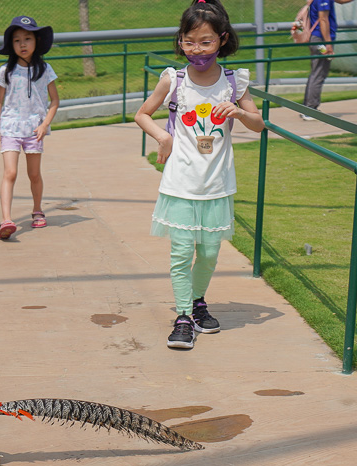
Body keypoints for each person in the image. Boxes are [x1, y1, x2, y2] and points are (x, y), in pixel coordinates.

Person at [134, 0, 264, 349]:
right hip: (180, 181)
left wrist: (237, 111)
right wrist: (163, 136)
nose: (197, 50)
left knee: (208, 253)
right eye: (189, 41)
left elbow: (259, 124)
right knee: (180, 253)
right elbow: (142, 114)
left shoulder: (235, 81)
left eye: (205, 42)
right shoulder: (173, 79)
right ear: (180, 41)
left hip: (217, 183)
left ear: (222, 39)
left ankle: (197, 302)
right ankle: (182, 317)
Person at [0, 16, 60, 240]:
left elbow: (54, 101)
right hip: (10, 127)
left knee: (34, 174)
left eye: (27, 39)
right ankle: (6, 219)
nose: (22, 44)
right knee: (10, 173)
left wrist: (44, 125)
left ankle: (37, 209)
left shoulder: (45, 69)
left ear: (36, 41)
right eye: (17, 40)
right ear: (11, 45)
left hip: (34, 129)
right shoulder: (6, 71)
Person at [300, 0, 356, 121]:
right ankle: (310, 109)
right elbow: (323, 19)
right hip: (320, 39)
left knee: (316, 72)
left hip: (318, 38)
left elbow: (340, 1)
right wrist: (328, 43)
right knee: (319, 73)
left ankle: (307, 107)